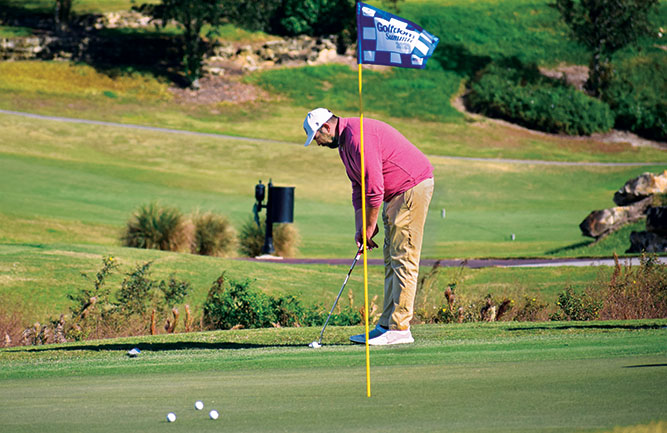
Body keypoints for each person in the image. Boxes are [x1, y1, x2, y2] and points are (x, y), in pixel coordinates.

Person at [303, 108, 434, 345]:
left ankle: (400, 329)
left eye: (317, 138)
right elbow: (358, 189)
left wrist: (370, 225)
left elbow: (374, 188)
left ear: (326, 127)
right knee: (391, 259)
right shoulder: (344, 145)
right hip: (396, 195)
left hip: (411, 187)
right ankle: (386, 325)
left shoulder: (356, 136)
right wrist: (360, 228)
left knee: (404, 258)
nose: (318, 143)